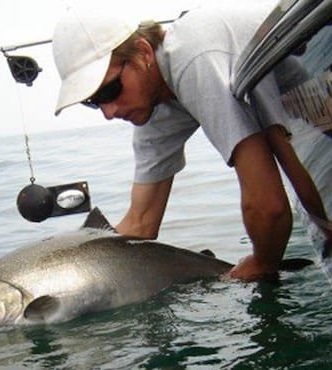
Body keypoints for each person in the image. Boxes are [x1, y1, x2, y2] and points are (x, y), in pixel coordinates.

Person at [51, 2, 291, 281]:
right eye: (93, 103)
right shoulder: (154, 108)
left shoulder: (192, 57)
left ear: (143, 53)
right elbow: (140, 223)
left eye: (110, 90)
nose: (108, 112)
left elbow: (269, 207)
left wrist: (262, 262)